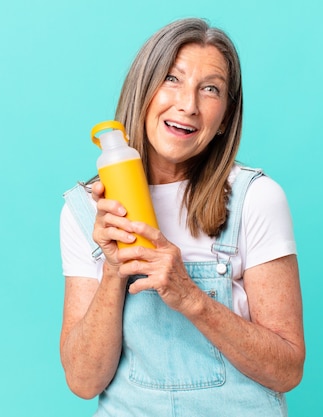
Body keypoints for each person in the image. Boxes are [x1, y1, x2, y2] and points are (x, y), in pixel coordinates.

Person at [59, 17, 305, 416]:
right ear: (143, 91)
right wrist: (113, 270)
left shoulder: (255, 200)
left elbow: (287, 370)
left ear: (225, 116)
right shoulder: (88, 209)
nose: (188, 105)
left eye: (210, 89)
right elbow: (84, 382)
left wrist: (189, 296)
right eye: (173, 79)